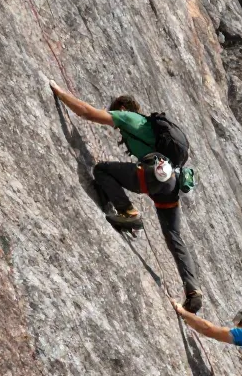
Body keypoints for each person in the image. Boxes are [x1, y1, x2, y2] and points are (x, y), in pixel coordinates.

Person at [49, 84, 202, 313]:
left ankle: (128, 212)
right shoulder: (152, 128)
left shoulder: (129, 117)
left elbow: (87, 112)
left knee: (102, 170)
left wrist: (60, 93)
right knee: (173, 235)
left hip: (154, 175)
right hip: (171, 183)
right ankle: (192, 289)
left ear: (121, 107)